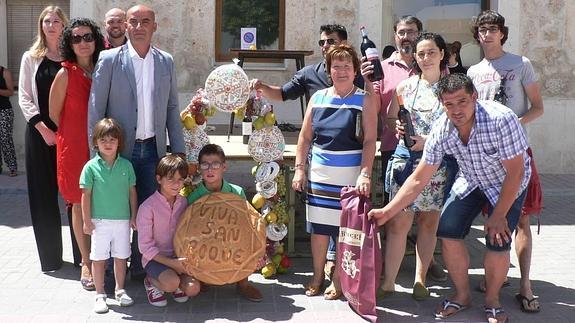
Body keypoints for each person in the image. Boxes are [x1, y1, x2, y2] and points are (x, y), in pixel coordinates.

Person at [370, 73, 531, 323]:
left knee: (497, 238)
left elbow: (516, 172)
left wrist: (498, 215)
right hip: (471, 178)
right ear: (442, 104)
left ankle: (493, 300)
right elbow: (417, 179)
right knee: (447, 230)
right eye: (449, 104)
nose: (456, 110)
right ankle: (462, 295)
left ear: (474, 97)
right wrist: (387, 211)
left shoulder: (502, 120)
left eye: (462, 101)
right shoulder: (441, 129)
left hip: (506, 182)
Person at [250, 23, 364, 280]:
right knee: (322, 220)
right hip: (322, 157)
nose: (325, 46)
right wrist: (262, 87)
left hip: (349, 157)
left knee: (344, 220)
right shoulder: (309, 74)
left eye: (331, 41)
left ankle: (336, 267)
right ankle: (323, 268)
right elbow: (282, 94)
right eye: (323, 42)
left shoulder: (356, 74)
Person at [88, 4, 186, 281]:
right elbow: (96, 111)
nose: (140, 26)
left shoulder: (165, 60)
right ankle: (107, 272)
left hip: (153, 149)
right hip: (117, 152)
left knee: (146, 211)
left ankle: (143, 269)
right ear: (126, 26)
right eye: (134, 21)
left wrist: (178, 152)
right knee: (114, 212)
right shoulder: (109, 59)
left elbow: (171, 108)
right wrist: (95, 155)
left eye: (146, 21)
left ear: (155, 26)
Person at [467, 10, 544, 313]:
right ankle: (495, 277)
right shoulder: (473, 72)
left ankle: (525, 284)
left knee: (522, 219)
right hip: (487, 158)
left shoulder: (520, 64)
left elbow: (538, 107)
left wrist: (514, 126)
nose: (487, 34)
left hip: (517, 154)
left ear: (502, 33)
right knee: (493, 218)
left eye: (493, 29)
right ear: (478, 34)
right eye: (483, 29)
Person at [292, 44, 377, 300]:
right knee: (319, 230)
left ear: (355, 71)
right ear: (329, 70)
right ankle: (317, 275)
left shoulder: (365, 99)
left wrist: (365, 174)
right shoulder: (317, 98)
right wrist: (299, 170)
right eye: (336, 66)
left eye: (347, 66)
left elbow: (370, 140)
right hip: (319, 175)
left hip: (350, 176)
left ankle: (339, 278)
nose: (341, 71)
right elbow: (305, 138)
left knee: (344, 231)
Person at [380, 32, 450, 300]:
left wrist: (429, 141)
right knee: (398, 222)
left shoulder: (454, 86)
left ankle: (420, 279)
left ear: (442, 54)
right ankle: (389, 282)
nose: (425, 58)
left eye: (431, 52)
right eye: (421, 53)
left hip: (436, 164)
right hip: (405, 161)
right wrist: (395, 125)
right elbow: (389, 118)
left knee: (428, 223)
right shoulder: (405, 87)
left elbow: (462, 126)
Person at [48, 17, 105, 291]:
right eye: (76, 38)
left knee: (103, 202)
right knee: (78, 202)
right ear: (69, 43)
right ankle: (85, 261)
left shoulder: (104, 69)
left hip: (102, 147)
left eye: (88, 37)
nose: (83, 43)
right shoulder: (64, 73)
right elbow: (53, 114)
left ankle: (103, 258)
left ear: (96, 39)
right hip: (73, 147)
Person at [18, 5, 69, 272]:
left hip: (68, 136)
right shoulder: (31, 57)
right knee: (43, 196)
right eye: (46, 20)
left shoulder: (71, 56)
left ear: (63, 25)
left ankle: (84, 260)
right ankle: (50, 260)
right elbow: (24, 97)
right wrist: (44, 129)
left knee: (74, 196)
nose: (51, 25)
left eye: (56, 21)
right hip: (40, 136)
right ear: (41, 25)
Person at [187, 144, 264, 302]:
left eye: (215, 164)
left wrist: (259, 249)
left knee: (246, 239)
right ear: (199, 169)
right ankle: (205, 277)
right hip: (208, 244)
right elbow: (188, 231)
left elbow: (247, 223)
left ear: (224, 167)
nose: (210, 169)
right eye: (205, 165)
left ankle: (243, 283)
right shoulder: (194, 197)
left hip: (231, 242)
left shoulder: (236, 192)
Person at [80, 118, 137, 313]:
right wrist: (87, 221)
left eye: (113, 140)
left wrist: (134, 216)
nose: (108, 144)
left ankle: (120, 290)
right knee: (98, 258)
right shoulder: (90, 167)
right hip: (99, 222)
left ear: (119, 142)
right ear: (95, 141)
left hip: (122, 221)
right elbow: (85, 196)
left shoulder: (127, 166)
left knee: (121, 256)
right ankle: (100, 294)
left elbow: (132, 192)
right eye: (103, 140)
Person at [137, 154, 201, 307]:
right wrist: (172, 264)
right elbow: (145, 247)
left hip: (178, 257)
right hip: (155, 260)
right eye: (171, 179)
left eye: (180, 179)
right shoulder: (147, 207)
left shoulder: (183, 202)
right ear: (159, 179)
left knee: (193, 289)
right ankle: (151, 282)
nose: (176, 184)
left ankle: (176, 282)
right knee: (171, 283)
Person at [0, 65, 17, 177]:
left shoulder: (5, 72)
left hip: (4, 110)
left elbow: (10, 92)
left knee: (6, 139)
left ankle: (12, 167)